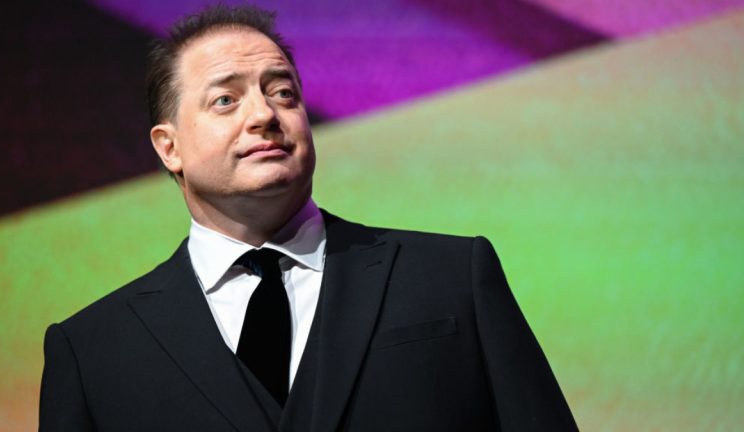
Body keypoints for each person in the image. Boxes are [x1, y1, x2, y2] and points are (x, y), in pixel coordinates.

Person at [39, 5, 577, 431]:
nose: (264, 114)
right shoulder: (92, 351)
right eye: (225, 100)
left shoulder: (451, 276)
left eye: (283, 92)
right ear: (169, 147)